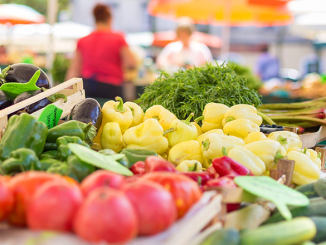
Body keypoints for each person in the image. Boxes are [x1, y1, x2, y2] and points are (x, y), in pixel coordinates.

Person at [66, 4, 137, 99]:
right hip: (111, 87)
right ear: (110, 19)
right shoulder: (118, 38)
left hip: (88, 86)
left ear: (95, 19)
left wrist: (67, 92)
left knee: (88, 113)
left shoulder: (83, 41)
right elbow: (132, 63)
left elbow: (74, 69)